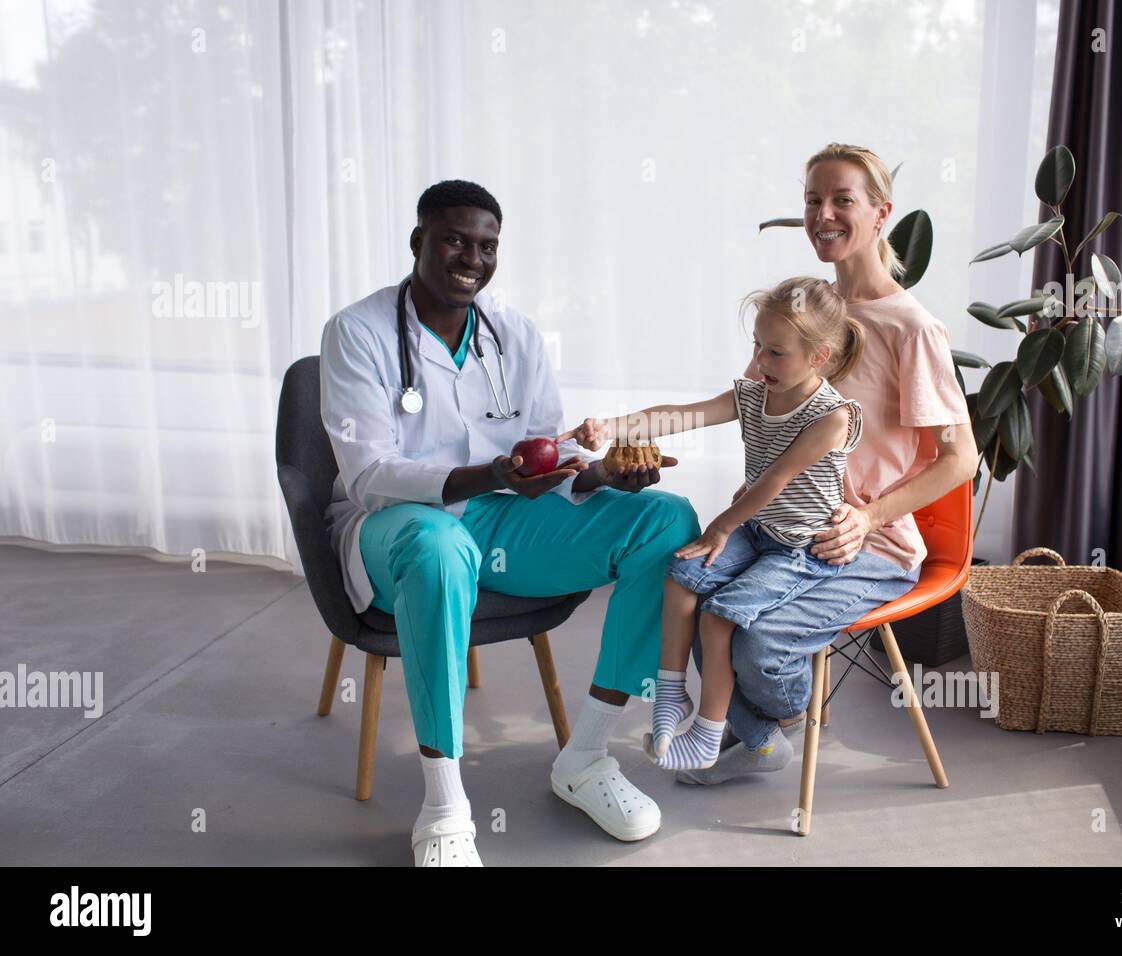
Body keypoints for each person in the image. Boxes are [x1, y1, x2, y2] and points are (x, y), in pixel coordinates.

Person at [319, 180, 700, 866]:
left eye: (487, 245)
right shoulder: (358, 332)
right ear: (419, 243)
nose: (472, 257)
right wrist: (491, 475)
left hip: (501, 523)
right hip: (399, 528)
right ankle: (444, 805)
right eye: (455, 241)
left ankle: (584, 757)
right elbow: (368, 474)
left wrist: (600, 474)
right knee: (439, 550)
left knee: (665, 519)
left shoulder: (514, 333)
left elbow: (547, 450)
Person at [674, 144, 980, 786]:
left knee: (754, 639)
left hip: (865, 548)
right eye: (813, 199)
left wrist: (868, 517)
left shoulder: (912, 328)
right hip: (780, 531)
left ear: (880, 214)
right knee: (684, 579)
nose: (824, 214)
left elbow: (961, 460)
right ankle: (748, 740)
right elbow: (747, 401)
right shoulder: (810, 314)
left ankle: (764, 732)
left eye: (843, 199)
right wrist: (629, 428)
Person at [566, 277, 866, 772]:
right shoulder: (753, 395)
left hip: (804, 549)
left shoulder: (832, 416)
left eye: (776, 352)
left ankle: (708, 732)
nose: (761, 362)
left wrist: (721, 527)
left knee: (719, 613)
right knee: (681, 578)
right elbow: (680, 415)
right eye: (757, 347)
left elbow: (774, 480)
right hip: (758, 531)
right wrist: (613, 426)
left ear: (819, 357)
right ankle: (670, 694)